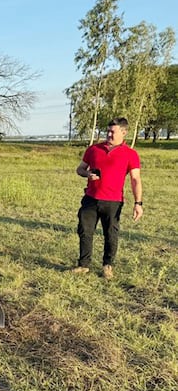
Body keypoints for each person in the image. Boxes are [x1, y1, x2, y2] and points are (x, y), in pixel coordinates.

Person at [72, 117, 143, 279]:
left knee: (111, 234)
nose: (109, 134)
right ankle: (83, 265)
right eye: (108, 131)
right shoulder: (93, 149)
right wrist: (87, 174)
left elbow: (135, 179)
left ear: (124, 132)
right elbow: (80, 169)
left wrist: (138, 203)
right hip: (90, 198)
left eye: (113, 131)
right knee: (85, 231)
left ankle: (107, 266)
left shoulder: (130, 154)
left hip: (113, 201)